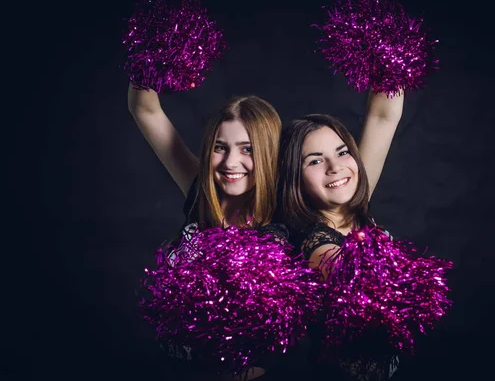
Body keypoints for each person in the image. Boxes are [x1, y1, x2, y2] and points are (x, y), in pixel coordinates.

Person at [128, 84, 286, 380]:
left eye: (247, 149)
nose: (230, 162)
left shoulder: (284, 224)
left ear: (269, 152)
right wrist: (153, 55)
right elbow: (144, 109)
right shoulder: (200, 192)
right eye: (219, 147)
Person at [277, 91, 405, 380]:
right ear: (294, 178)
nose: (336, 167)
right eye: (314, 161)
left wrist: (388, 55)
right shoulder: (316, 243)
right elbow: (364, 291)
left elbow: (383, 116)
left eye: (342, 151)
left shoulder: (351, 207)